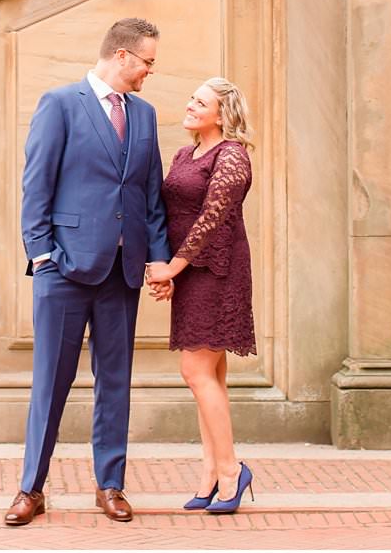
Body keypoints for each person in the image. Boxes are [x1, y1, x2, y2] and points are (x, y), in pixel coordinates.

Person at [6, 17, 175, 527]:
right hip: (64, 270)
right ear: (121, 56)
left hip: (121, 274)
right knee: (50, 383)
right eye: (146, 62)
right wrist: (42, 255)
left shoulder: (143, 116)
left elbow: (151, 198)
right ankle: (31, 489)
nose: (149, 72)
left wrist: (158, 259)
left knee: (115, 383)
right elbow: (36, 186)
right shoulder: (59, 104)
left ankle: (111, 484)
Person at [145, 77, 257, 514]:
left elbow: (213, 217)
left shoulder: (232, 155)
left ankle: (231, 471)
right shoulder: (183, 153)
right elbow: (170, 212)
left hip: (218, 272)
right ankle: (211, 472)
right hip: (191, 273)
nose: (190, 105)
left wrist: (173, 266)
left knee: (195, 370)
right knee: (211, 375)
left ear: (222, 113)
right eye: (191, 97)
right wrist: (170, 269)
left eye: (201, 102)